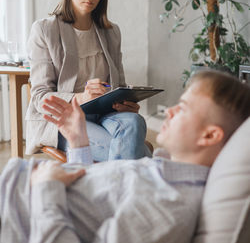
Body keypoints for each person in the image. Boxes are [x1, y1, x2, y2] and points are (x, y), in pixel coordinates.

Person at [1, 71, 249, 243]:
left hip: (14, 209)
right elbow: (95, 197)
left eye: (182, 108)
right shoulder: (163, 173)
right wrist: (78, 141)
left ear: (209, 135)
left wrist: (47, 188)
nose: (169, 111)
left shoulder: (170, 204)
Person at [25, 0, 150, 162]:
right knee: (134, 150)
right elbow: (39, 96)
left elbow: (118, 85)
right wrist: (80, 98)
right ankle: (137, 177)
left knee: (135, 122)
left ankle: (118, 185)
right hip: (66, 120)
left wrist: (127, 102)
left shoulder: (112, 32)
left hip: (107, 115)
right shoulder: (44, 30)